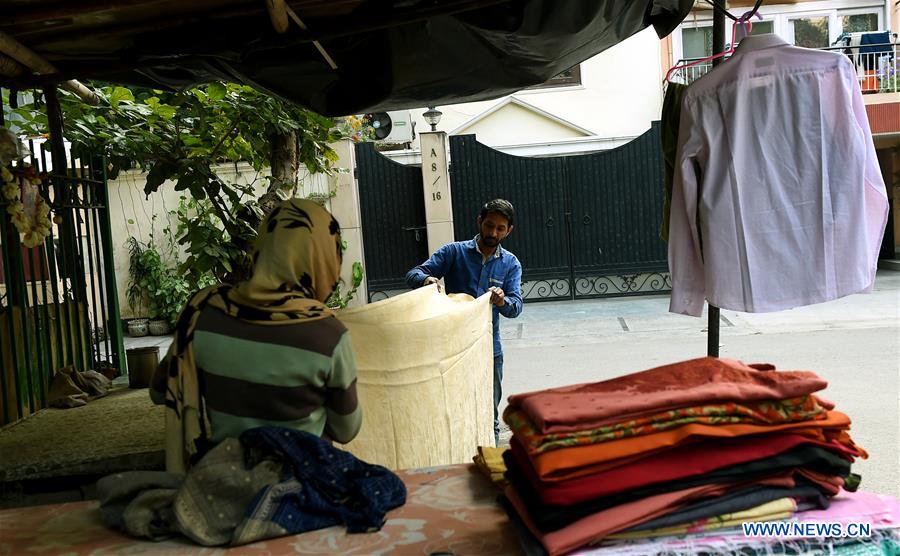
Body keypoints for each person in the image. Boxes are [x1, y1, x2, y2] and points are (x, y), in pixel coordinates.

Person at [150, 199, 362, 472]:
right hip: (302, 486)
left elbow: (159, 392)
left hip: (223, 482)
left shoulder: (202, 314)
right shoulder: (329, 334)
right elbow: (346, 429)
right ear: (324, 258)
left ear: (262, 246)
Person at [405, 199, 523, 446]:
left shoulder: (511, 264)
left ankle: (489, 457)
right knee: (454, 412)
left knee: (488, 415)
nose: (493, 233)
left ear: (509, 230)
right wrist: (427, 281)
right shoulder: (453, 252)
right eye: (489, 225)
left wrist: (502, 301)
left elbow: (515, 307)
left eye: (500, 228)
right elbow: (414, 273)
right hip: (453, 350)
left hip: (489, 350)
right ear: (479, 221)